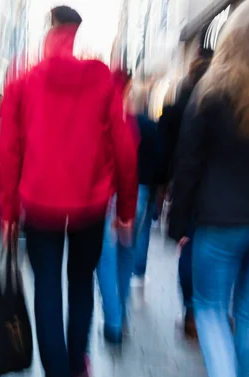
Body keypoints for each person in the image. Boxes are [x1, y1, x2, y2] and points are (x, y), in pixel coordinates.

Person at [0, 6, 137, 377]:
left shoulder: (23, 80)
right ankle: (77, 368)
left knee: (46, 290)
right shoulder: (100, 79)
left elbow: (9, 151)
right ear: (76, 32)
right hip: (90, 205)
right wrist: (126, 210)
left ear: (50, 31)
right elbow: (124, 149)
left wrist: (8, 212)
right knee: (80, 285)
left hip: (39, 204)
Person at [168, 1, 249, 377]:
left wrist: (179, 226)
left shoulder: (210, 92)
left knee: (210, 308)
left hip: (219, 221)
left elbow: (188, 165)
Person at [96, 74, 160, 344]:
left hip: (112, 197)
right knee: (126, 255)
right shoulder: (145, 124)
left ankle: (114, 322)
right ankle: (120, 314)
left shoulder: (107, 121)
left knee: (106, 260)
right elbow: (160, 159)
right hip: (140, 194)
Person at [159, 47, 212, 338]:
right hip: (222, 193)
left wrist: (165, 185)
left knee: (188, 246)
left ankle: (192, 311)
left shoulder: (180, 106)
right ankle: (212, 310)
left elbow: (171, 152)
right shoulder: (227, 101)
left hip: (189, 187)